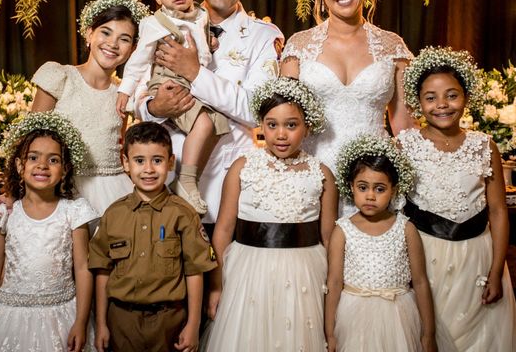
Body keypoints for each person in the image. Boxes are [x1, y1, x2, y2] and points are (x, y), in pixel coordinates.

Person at [137, 0, 284, 230]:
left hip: (226, 188)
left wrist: (194, 71)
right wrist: (153, 109)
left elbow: (257, 110)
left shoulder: (263, 36)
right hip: (165, 179)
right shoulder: (162, 24)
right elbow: (140, 95)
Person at [398, 46, 516, 351]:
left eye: (451, 95)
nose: (442, 105)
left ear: (466, 96)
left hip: (477, 259)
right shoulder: (406, 145)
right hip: (426, 255)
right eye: (431, 98)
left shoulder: (484, 146)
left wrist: (496, 271)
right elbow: (397, 210)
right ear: (418, 102)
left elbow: (497, 211)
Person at [280, 0, 416, 217]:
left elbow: (404, 127)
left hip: (374, 183)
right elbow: (285, 123)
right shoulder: (298, 47)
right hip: (313, 179)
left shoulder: (393, 46)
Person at [0, 0, 150, 220]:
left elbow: (120, 146)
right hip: (60, 190)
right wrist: (11, 193)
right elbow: (27, 142)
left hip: (113, 193)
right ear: (89, 34)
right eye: (106, 32)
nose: (113, 44)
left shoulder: (124, 93)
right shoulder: (60, 77)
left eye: (124, 39)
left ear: (133, 48)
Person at [0, 112, 98, 352]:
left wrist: (80, 321)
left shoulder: (74, 212)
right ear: (18, 164)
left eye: (53, 160)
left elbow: (82, 269)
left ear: (65, 170)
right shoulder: (5, 213)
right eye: (33, 157)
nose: (42, 165)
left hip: (60, 315)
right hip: (9, 317)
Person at [202, 77, 338, 351]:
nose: (281, 134)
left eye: (291, 125)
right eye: (272, 124)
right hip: (248, 269)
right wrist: (215, 286)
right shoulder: (242, 167)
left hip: (304, 272)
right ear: (261, 125)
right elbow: (224, 230)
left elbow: (329, 237)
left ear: (307, 127)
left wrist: (333, 291)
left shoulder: (321, 174)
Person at [89, 121, 217, 352]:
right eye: (139, 161)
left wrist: (193, 324)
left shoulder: (183, 214)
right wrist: (101, 324)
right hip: (121, 321)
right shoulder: (113, 215)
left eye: (157, 160)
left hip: (170, 321)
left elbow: (195, 271)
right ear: (125, 163)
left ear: (170, 162)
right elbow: (102, 271)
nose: (148, 169)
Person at [116, 0, 229, 215]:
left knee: (217, 124)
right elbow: (138, 60)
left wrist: (208, 44)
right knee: (204, 122)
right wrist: (125, 90)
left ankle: (187, 178)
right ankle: (187, 181)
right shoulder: (155, 24)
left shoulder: (200, 16)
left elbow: (200, 43)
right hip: (168, 83)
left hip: (192, 81)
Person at [325, 134, 438, 352]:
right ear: (351, 187)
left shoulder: (406, 229)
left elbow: (421, 282)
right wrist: (330, 332)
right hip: (354, 317)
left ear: (393, 190)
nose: (370, 196)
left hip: (398, 315)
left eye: (379, 189)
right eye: (362, 187)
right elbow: (334, 283)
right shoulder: (342, 230)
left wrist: (428, 334)